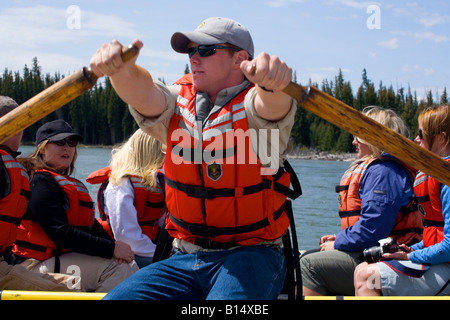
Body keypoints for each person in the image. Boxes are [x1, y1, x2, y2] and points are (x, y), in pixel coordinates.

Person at [90, 17, 300, 300]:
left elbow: (272, 106)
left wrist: (273, 84)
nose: (194, 59)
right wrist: (120, 72)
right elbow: (144, 94)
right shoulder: (178, 101)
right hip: (185, 255)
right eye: (191, 51)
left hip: (253, 254)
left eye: (205, 50)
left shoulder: (257, 105)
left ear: (240, 59)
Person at [300, 106, 423, 296]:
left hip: (385, 259)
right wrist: (340, 238)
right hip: (372, 252)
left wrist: (339, 242)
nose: (353, 141)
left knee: (307, 266)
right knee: (305, 257)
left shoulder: (383, 173)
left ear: (372, 138)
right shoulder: (381, 169)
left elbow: (373, 229)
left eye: (358, 135)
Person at [13, 119, 138, 292]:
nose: (67, 147)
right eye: (59, 142)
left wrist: (116, 249)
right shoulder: (39, 182)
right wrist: (111, 248)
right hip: (33, 266)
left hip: (60, 259)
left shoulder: (64, 183)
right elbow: (60, 233)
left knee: (126, 264)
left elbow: (90, 226)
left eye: (71, 143)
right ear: (42, 149)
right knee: (119, 269)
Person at [355, 104, 450, 296]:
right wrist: (409, 249)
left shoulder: (447, 181)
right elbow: (436, 235)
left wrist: (409, 255)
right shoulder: (438, 176)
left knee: (367, 277)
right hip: (441, 261)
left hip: (446, 266)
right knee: (363, 269)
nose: (416, 139)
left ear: (441, 138)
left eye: (421, 134)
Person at [0, 97, 79, 291]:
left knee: (74, 285)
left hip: (7, 261)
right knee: (64, 293)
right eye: (18, 125)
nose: (20, 131)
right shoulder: (5, 168)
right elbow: (59, 231)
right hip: (9, 266)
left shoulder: (10, 166)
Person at [86, 129, 166, 268]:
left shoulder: (157, 181)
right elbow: (127, 238)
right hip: (128, 255)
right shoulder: (120, 184)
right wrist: (161, 255)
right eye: (163, 150)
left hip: (150, 251)